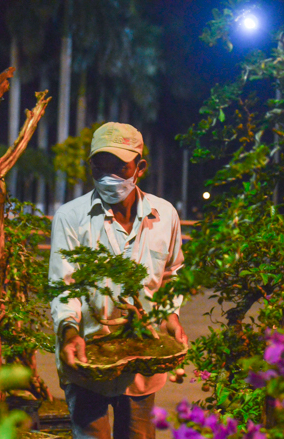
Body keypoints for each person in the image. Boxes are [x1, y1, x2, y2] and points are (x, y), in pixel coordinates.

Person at [49, 122, 187, 439]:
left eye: (120, 167)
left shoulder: (164, 215)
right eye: (102, 166)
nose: (110, 176)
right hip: (86, 359)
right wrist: (69, 330)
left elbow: (171, 274)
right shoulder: (71, 217)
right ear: (91, 166)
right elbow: (63, 286)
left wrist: (172, 318)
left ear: (140, 167)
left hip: (142, 360)